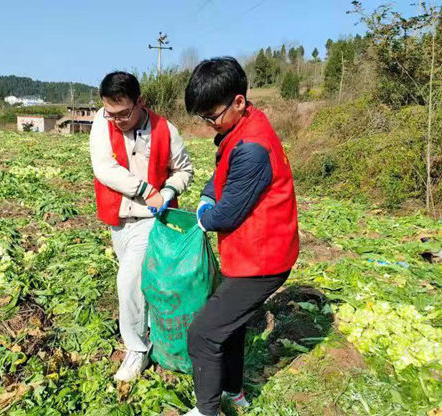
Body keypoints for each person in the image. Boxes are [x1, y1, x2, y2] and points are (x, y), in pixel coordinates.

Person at [182, 57, 299, 416]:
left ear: (238, 101)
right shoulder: (242, 126)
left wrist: (204, 216)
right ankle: (234, 392)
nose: (209, 124)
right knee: (228, 328)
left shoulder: (252, 147)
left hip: (263, 261)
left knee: (202, 333)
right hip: (253, 251)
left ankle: (207, 411)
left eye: (212, 115)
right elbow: (222, 174)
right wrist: (206, 192)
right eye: (202, 117)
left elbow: (227, 214)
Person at [89, 71, 193, 381]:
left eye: (123, 113)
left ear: (141, 103)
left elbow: (184, 170)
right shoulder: (101, 123)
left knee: (128, 281)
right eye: (111, 113)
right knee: (137, 282)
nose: (117, 120)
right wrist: (147, 188)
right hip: (119, 220)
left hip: (152, 221)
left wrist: (168, 192)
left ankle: (136, 349)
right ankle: (151, 330)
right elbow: (104, 168)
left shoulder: (166, 130)